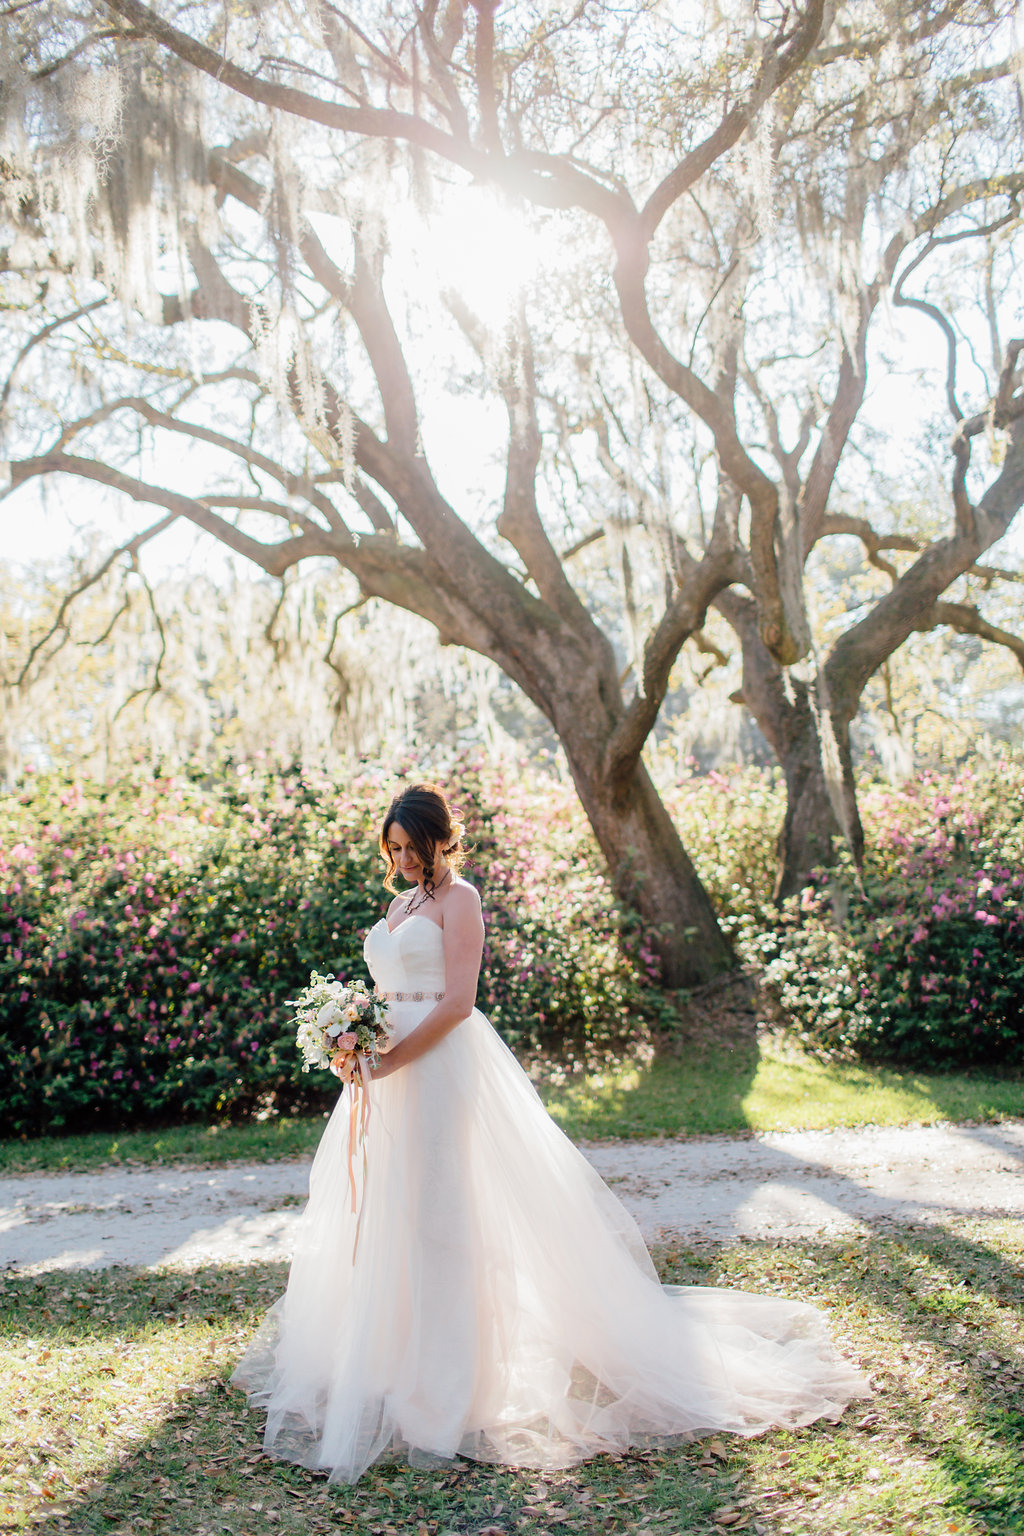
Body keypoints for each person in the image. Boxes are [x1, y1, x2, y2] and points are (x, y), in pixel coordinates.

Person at [231, 783, 868, 1483]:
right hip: (381, 1078)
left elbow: (457, 1003)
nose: (403, 860)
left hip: (438, 1068)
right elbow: (388, 997)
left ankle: (451, 1388)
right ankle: (390, 1362)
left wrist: (388, 1061)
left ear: (439, 839)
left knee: (443, 1216)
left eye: (412, 847)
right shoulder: (397, 905)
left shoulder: (461, 900)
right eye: (393, 850)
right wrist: (352, 1041)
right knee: (390, 1214)